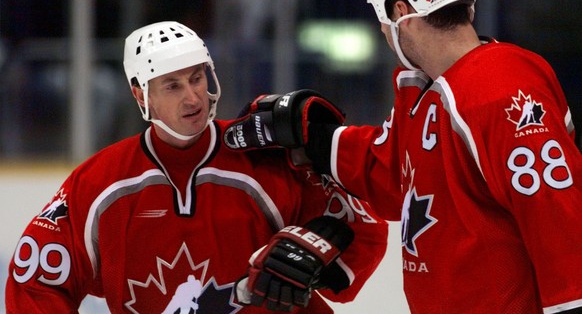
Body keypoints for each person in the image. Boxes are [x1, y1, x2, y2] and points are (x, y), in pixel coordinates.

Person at [223, 0, 582, 313]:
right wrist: (314, 138)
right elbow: (393, 174)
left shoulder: (500, 87)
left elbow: (555, 213)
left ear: (400, 11)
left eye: (382, 17)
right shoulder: (422, 87)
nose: (382, 31)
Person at [5, 21, 388, 313]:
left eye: (197, 78)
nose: (193, 97)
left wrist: (323, 247)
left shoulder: (266, 159)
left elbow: (365, 228)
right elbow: (34, 281)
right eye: (172, 86)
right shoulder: (100, 183)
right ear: (141, 94)